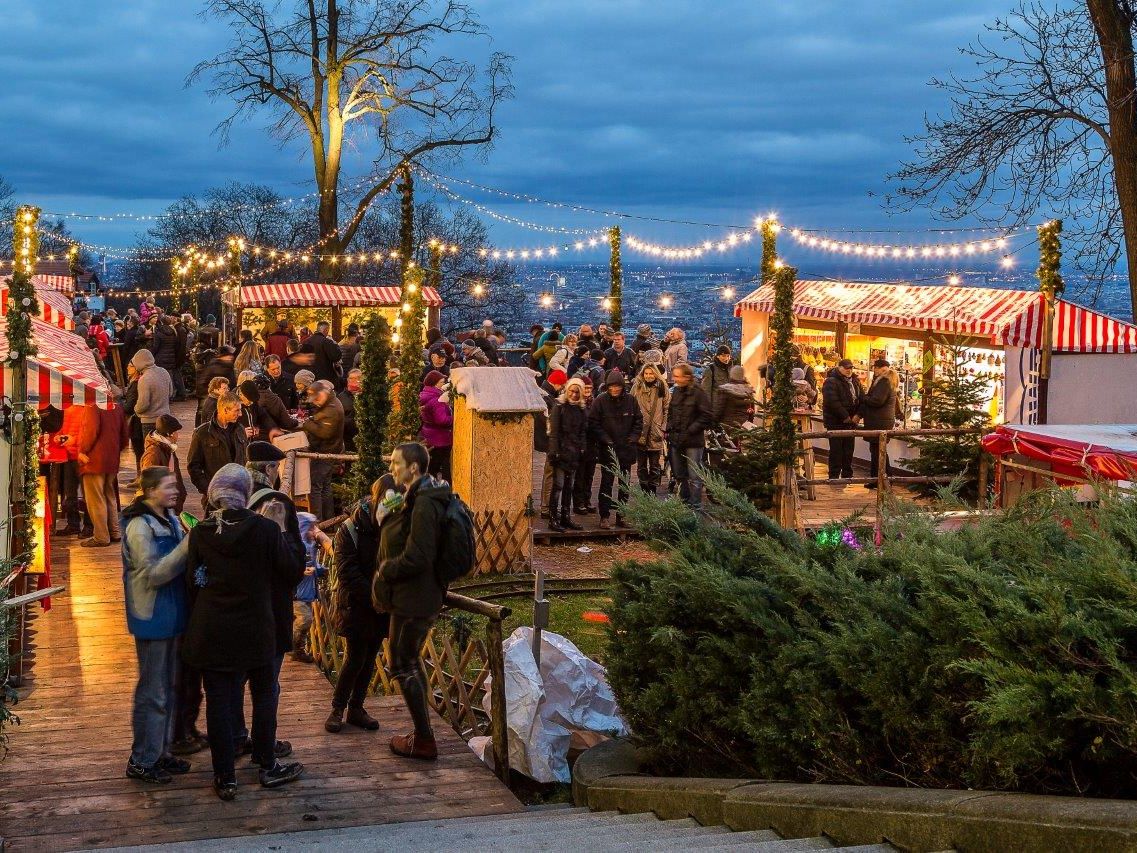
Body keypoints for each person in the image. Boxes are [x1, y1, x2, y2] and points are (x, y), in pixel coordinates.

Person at [182, 465, 305, 800]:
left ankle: (226, 777)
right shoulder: (265, 529)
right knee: (264, 696)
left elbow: (193, 581)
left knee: (219, 703)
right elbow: (292, 570)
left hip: (212, 630)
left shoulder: (202, 531)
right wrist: (286, 534)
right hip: (256, 627)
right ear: (245, 493)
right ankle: (267, 765)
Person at [371, 443, 452, 760]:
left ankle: (424, 739)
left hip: (414, 599)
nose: (391, 468)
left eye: (396, 463)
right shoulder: (418, 499)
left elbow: (418, 555)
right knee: (407, 663)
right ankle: (422, 735)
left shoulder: (422, 503)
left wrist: (386, 571)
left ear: (414, 468)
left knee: (403, 664)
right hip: (415, 596)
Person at [122, 467, 191, 784]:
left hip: (172, 613)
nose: (175, 491)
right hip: (152, 615)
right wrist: (189, 547)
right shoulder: (139, 526)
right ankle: (142, 759)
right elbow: (154, 573)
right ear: (150, 491)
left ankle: (161, 753)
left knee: (169, 687)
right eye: (168, 486)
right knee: (153, 690)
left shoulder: (170, 518)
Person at [326, 475, 398, 733]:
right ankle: (337, 708)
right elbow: (347, 572)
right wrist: (374, 598)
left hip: (381, 606)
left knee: (370, 657)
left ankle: (356, 708)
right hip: (357, 603)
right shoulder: (350, 530)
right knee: (355, 656)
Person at [589, 370, 642, 529]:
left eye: (617, 386)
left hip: (626, 448)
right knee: (606, 483)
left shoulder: (631, 401)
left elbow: (638, 421)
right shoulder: (600, 401)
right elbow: (593, 423)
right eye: (611, 386)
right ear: (607, 386)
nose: (614, 389)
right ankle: (604, 516)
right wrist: (605, 439)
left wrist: (633, 438)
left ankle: (622, 515)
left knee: (624, 485)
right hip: (608, 449)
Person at [77, 402, 129, 548]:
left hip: (94, 459)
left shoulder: (93, 406)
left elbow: (90, 431)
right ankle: (115, 531)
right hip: (112, 459)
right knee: (109, 495)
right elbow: (125, 435)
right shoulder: (117, 406)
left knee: (96, 499)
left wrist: (82, 451)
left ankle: (101, 536)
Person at [666, 363, 712, 510]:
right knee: (679, 473)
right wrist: (669, 427)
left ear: (687, 377)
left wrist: (692, 429)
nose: (675, 379)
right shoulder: (677, 391)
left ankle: (696, 505)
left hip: (693, 440)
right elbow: (672, 412)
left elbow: (707, 415)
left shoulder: (698, 393)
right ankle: (684, 502)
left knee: (694, 475)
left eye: (678, 376)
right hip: (676, 438)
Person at [187, 393, 249, 498]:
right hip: (215, 496)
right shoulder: (202, 433)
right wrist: (208, 490)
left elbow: (246, 459)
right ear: (225, 410)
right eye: (237, 410)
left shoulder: (240, 429)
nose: (240, 414)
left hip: (239, 493)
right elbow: (193, 467)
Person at [547, 378, 589, 532]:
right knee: (558, 485)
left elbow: (583, 431)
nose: (574, 394)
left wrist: (583, 449)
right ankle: (553, 518)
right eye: (572, 391)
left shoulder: (582, 409)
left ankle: (565, 516)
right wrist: (554, 451)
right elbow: (554, 432)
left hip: (574, 452)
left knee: (569, 487)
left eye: (577, 392)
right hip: (561, 451)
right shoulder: (559, 406)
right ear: (567, 390)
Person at [302, 380, 345, 520]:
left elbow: (324, 433)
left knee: (315, 487)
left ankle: (316, 522)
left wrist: (307, 423)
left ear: (323, 393)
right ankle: (328, 519)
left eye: (317, 398)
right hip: (329, 451)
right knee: (325, 487)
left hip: (325, 452)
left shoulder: (332, 409)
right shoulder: (330, 404)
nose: (315, 402)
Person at [291, 511, 330, 664]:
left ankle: (294, 647)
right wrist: (301, 571)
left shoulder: (310, 544)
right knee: (305, 619)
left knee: (300, 619)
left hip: (306, 591)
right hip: (297, 592)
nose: (315, 530)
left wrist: (321, 570)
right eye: (311, 526)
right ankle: (297, 649)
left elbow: (312, 565)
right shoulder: (297, 546)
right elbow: (291, 565)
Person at [821, 358, 864, 480]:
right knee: (836, 450)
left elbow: (862, 399)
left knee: (849, 450)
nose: (848, 370)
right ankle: (834, 475)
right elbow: (832, 401)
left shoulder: (855, 381)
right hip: (836, 422)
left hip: (851, 422)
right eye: (846, 368)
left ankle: (847, 474)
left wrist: (858, 415)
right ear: (839, 367)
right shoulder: (831, 381)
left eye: (850, 368)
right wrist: (845, 416)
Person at [630, 363, 669, 495]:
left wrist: (663, 427)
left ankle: (652, 489)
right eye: (646, 373)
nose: (648, 376)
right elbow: (631, 406)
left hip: (655, 430)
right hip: (640, 430)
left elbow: (667, 408)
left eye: (651, 373)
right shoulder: (637, 387)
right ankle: (644, 488)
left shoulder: (662, 387)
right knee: (641, 465)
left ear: (655, 374)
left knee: (654, 464)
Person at [534, 369, 567, 518]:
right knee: (550, 474)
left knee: (551, 474)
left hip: (547, 440)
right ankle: (546, 508)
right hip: (549, 441)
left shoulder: (543, 394)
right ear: (556, 383)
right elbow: (549, 422)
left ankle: (547, 507)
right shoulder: (547, 398)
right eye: (561, 385)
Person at [860, 358, 898, 487]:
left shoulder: (883, 382)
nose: (873, 370)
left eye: (875, 368)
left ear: (880, 368)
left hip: (878, 421)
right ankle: (885, 478)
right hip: (883, 420)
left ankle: (878, 479)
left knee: (877, 451)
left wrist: (864, 398)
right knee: (879, 450)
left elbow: (877, 401)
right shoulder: (889, 380)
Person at [140, 415, 187, 514]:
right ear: (170, 434)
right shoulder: (153, 453)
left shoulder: (168, 448)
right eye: (176, 432)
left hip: (170, 504)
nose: (178, 435)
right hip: (161, 508)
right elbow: (148, 482)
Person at [418, 370, 453, 481]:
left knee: (432, 467)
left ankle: (429, 487)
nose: (443, 385)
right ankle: (445, 488)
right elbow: (442, 420)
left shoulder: (424, 395)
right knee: (445, 466)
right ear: (434, 384)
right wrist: (455, 419)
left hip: (429, 435)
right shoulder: (438, 399)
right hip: (441, 438)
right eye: (441, 382)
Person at [130, 349, 173, 437]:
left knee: (151, 448)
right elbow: (170, 393)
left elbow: (143, 404)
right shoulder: (164, 371)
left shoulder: (144, 379)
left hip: (149, 420)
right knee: (165, 446)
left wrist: (136, 409)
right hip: (165, 418)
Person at [712, 365, 756, 430]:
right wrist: (750, 423)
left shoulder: (724, 390)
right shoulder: (749, 390)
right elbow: (751, 411)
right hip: (744, 425)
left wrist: (713, 422)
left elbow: (719, 409)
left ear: (731, 375)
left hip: (727, 425)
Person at [148, 316, 181, 396]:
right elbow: (176, 345)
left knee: (161, 378)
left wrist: (151, 353)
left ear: (161, 322)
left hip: (160, 358)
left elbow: (156, 347)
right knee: (170, 377)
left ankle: (163, 395)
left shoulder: (158, 333)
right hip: (171, 357)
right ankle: (171, 394)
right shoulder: (173, 332)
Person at [237, 379, 278, 444]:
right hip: (240, 443)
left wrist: (272, 428)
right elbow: (229, 427)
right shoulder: (233, 406)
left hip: (251, 441)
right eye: (249, 400)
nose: (251, 403)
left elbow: (264, 417)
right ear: (241, 395)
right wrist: (241, 433)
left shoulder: (253, 403)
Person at [701, 344, 734, 411]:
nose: (726, 358)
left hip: (729, 408)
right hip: (716, 409)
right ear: (718, 356)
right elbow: (705, 391)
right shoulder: (711, 369)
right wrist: (707, 410)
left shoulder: (732, 369)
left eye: (728, 356)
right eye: (723, 356)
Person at [338, 368, 362, 452]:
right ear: (348, 380)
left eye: (358, 378)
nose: (354, 380)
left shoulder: (367, 396)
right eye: (351, 378)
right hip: (347, 437)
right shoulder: (341, 397)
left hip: (364, 436)